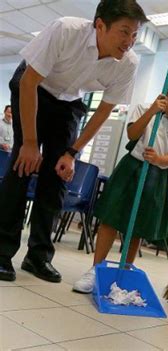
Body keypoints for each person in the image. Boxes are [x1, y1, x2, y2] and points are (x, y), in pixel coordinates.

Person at [0, 0, 148, 283]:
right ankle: (1, 252)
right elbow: (28, 83)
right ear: (100, 25)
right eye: (124, 32)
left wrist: (72, 152)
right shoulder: (65, 30)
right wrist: (29, 143)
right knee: (21, 166)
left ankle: (38, 256)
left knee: (57, 176)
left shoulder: (128, 63)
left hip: (68, 101)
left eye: (134, 35)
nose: (129, 42)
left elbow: (104, 111)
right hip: (33, 87)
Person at [72, 77, 168, 293]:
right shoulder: (143, 108)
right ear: (166, 93)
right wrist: (151, 112)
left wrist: (159, 159)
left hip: (155, 176)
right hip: (131, 168)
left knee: (137, 227)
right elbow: (132, 133)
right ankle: (96, 270)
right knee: (110, 219)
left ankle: (124, 273)